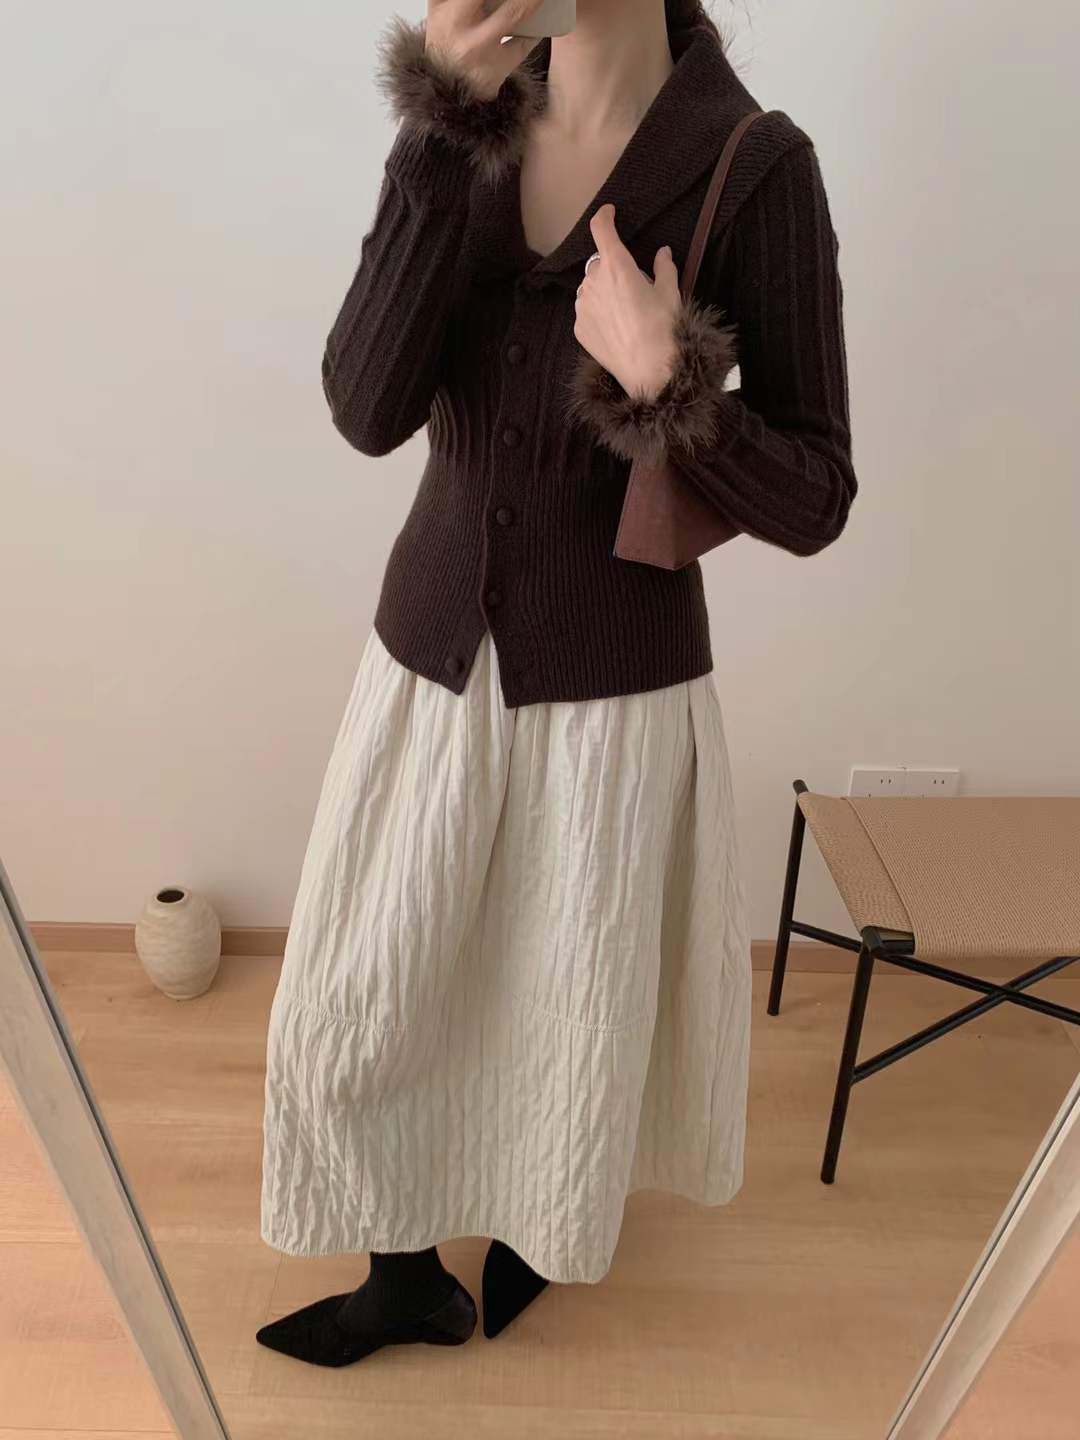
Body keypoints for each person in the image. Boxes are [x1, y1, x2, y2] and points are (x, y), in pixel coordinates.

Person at [257, 0, 857, 1368]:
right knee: (361, 997)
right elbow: (363, 406)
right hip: (427, 660)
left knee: (562, 1008)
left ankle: (539, 1222)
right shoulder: (469, 126)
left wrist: (671, 379)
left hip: (616, 693)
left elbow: (818, 494)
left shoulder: (754, 163)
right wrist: (435, 127)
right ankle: (403, 1275)